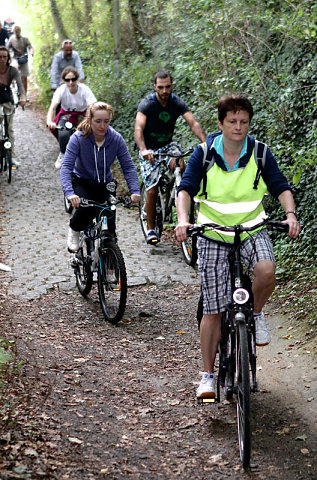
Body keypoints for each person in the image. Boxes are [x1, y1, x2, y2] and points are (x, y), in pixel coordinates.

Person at [175, 94, 301, 400]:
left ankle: (255, 315)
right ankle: (207, 375)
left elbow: (280, 185)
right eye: (232, 121)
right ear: (220, 123)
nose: (238, 126)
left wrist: (290, 214)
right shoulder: (203, 153)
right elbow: (185, 190)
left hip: (251, 229)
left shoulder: (259, 152)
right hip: (213, 233)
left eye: (243, 121)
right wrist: (182, 219)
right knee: (214, 309)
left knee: (266, 270)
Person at [134, 70, 206, 245]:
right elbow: (138, 128)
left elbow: (193, 123)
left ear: (172, 86)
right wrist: (143, 149)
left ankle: (177, 194)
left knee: (180, 163)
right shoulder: (147, 104)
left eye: (167, 87)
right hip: (149, 148)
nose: (164, 91)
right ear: (155, 87)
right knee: (152, 188)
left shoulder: (176, 102)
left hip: (168, 145)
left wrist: (206, 142)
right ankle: (151, 228)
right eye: (160, 87)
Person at [60, 101, 141, 252]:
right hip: (82, 181)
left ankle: (110, 262)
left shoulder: (115, 139)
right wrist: (70, 194)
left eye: (106, 121)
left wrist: (135, 191)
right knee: (86, 208)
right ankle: (74, 229)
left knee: (110, 219)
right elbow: (66, 167)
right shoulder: (78, 138)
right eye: (98, 121)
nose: (102, 126)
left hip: (105, 183)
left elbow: (128, 166)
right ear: (89, 120)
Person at [46, 66, 97, 169]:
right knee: (63, 133)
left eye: (73, 79)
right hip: (67, 115)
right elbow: (53, 107)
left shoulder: (84, 89)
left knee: (86, 133)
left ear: (77, 79)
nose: (70, 82)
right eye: (67, 80)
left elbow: (93, 105)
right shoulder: (61, 90)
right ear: (64, 80)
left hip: (82, 115)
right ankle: (63, 153)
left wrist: (89, 118)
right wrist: (49, 121)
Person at [0, 46, 26, 167]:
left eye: (4, 57)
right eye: (0, 57)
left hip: (7, 99)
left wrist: (22, 97)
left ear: (8, 58)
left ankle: (12, 157)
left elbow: (20, 85)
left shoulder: (12, 70)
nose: (2, 59)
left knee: (9, 129)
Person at [6, 25, 34, 97]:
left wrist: (31, 52)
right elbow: (7, 48)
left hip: (23, 58)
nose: (17, 32)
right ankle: (13, 87)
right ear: (13, 31)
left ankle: (24, 94)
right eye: (15, 31)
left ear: (20, 31)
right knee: (13, 70)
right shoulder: (11, 39)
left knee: (24, 77)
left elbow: (30, 47)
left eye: (18, 31)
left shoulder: (24, 39)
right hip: (15, 58)